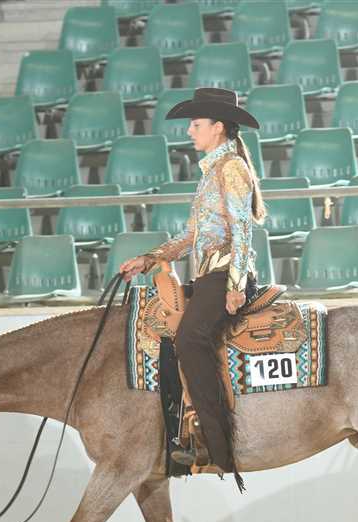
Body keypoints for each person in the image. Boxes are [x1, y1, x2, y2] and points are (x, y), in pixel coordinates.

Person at [119, 88, 267, 491]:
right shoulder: (212, 171)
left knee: (190, 338)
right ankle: (177, 428)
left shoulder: (230, 168)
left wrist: (236, 285)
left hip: (225, 275)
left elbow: (242, 230)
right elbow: (191, 236)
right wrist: (150, 258)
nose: (189, 131)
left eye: (196, 124)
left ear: (218, 127)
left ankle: (218, 445)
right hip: (209, 276)